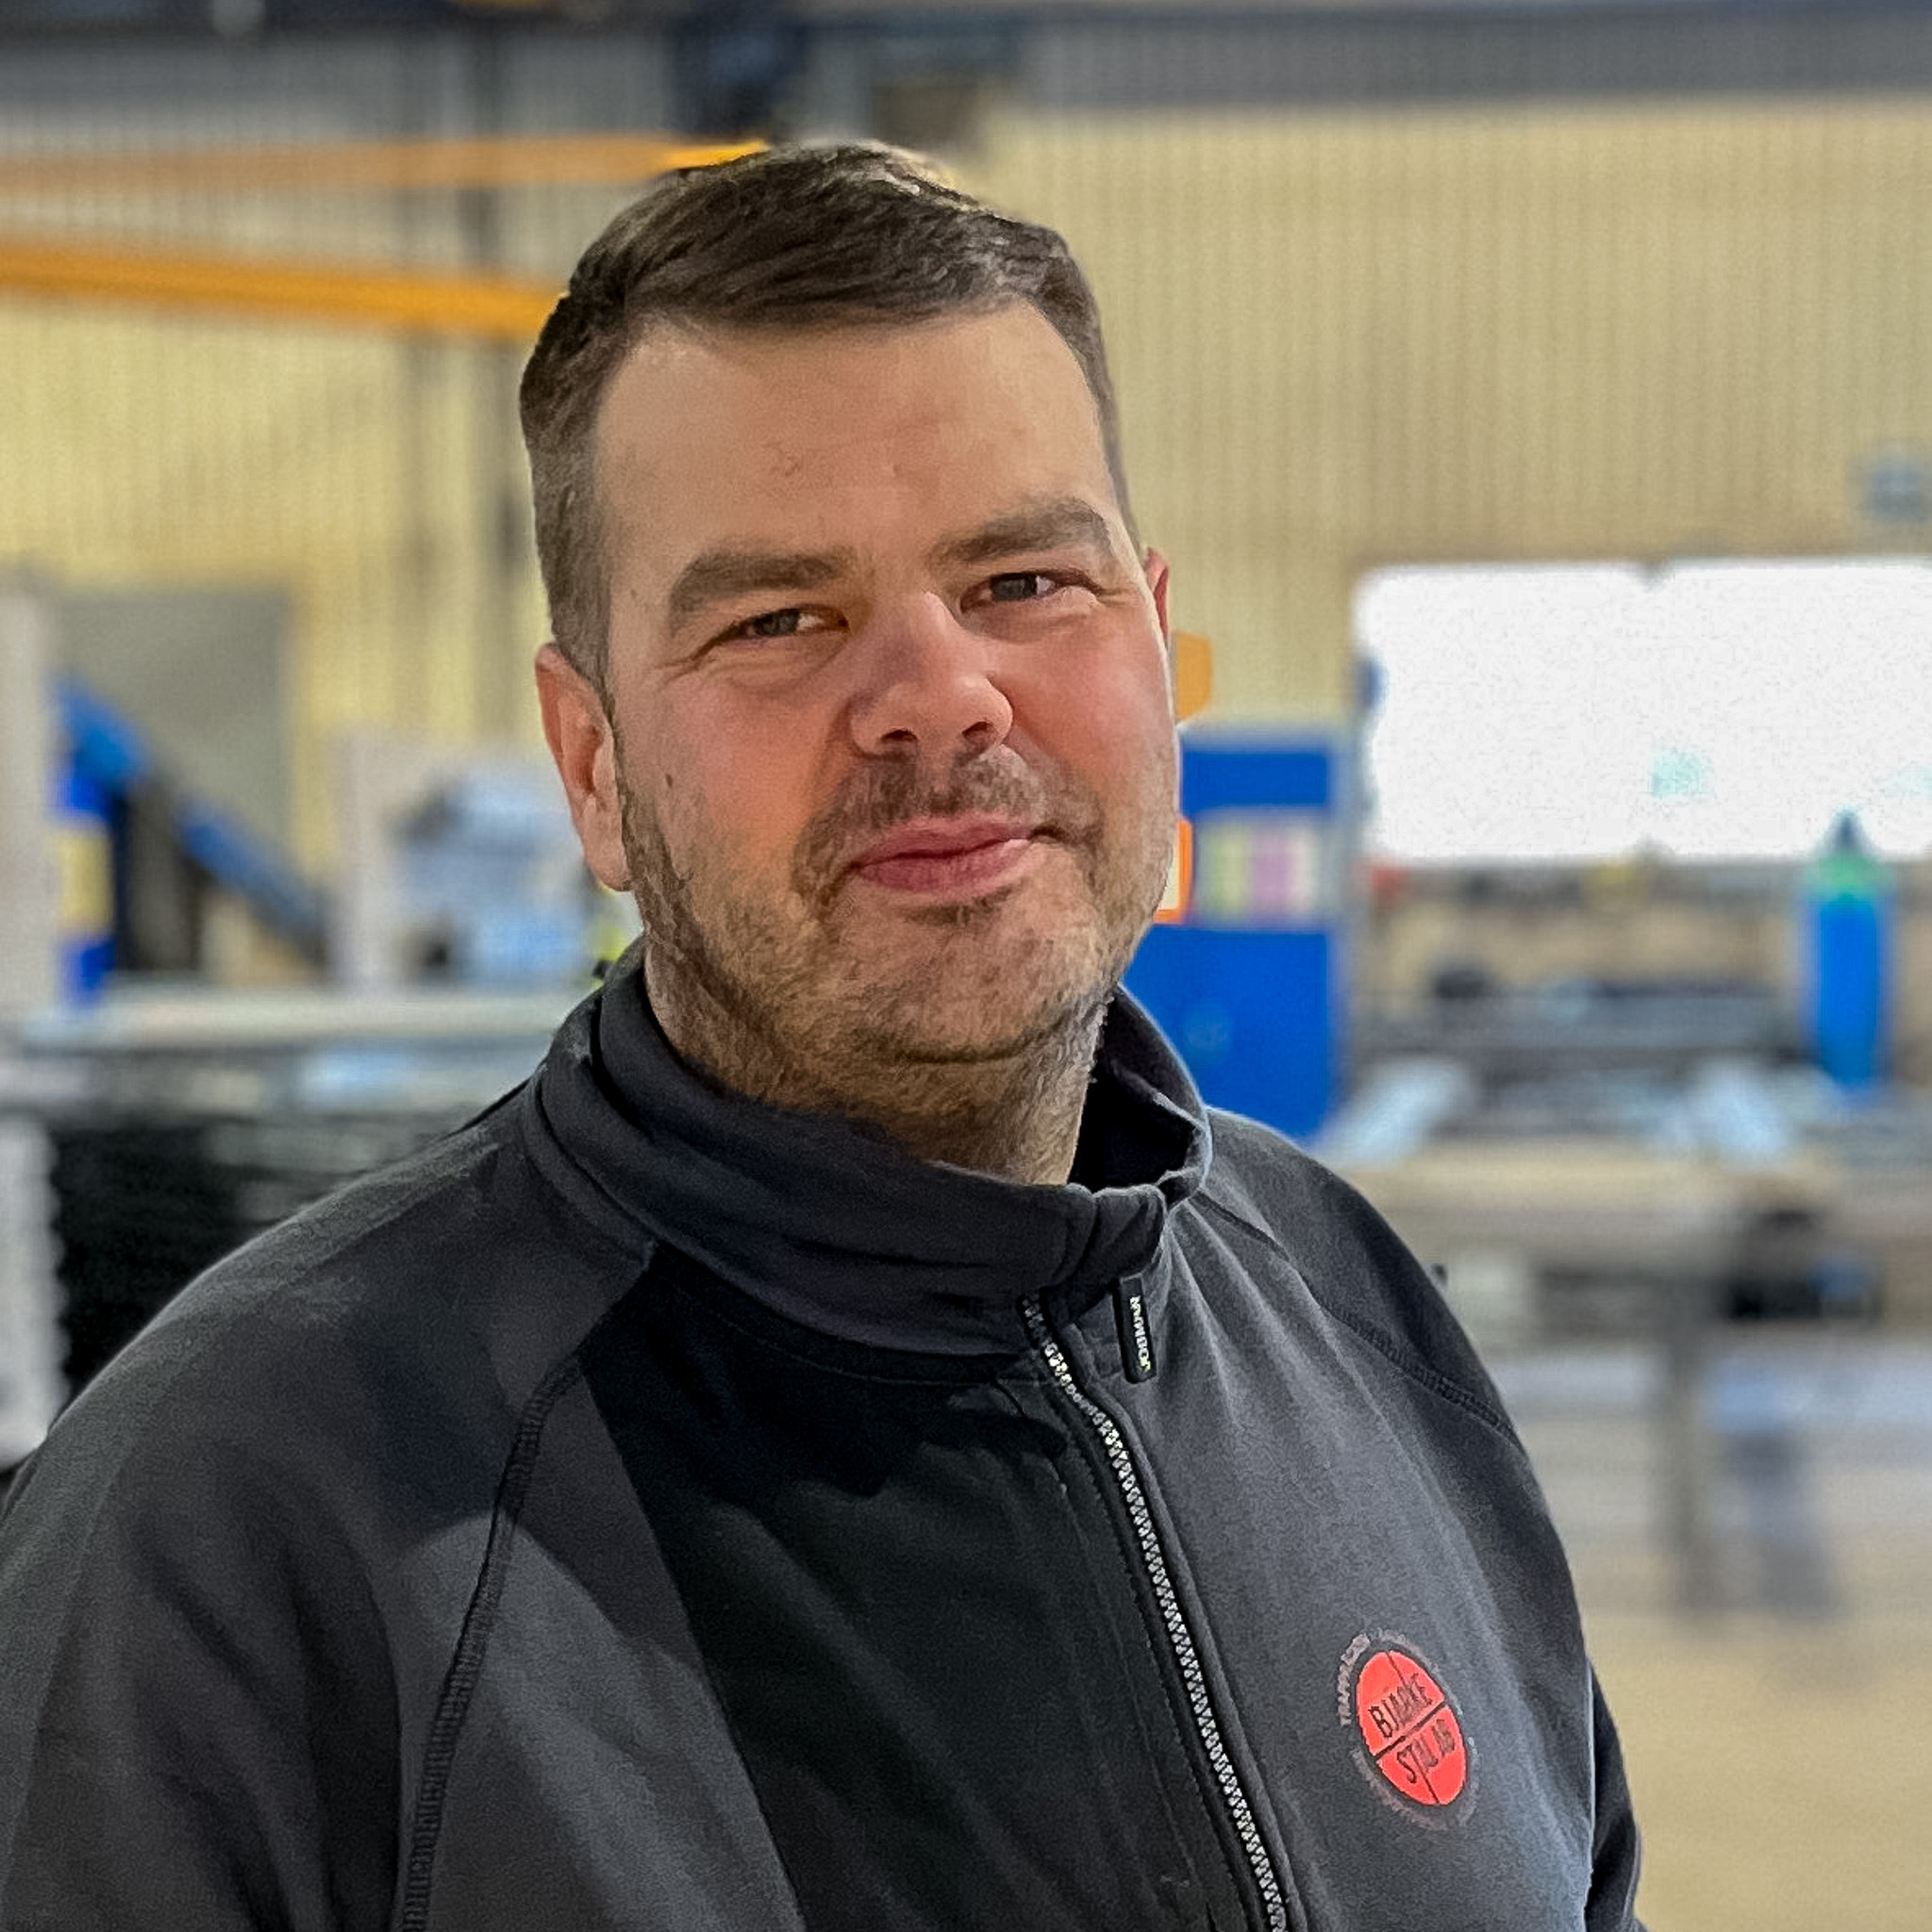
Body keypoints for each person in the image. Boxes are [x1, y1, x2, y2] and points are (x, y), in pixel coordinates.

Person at [0, 144, 1643, 1931]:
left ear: (1157, 641)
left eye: (1027, 582)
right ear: (592, 765)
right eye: (780, 618)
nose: (940, 695)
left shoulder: (1357, 1313)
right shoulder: (239, 1533)